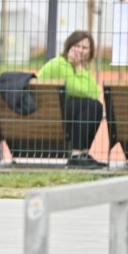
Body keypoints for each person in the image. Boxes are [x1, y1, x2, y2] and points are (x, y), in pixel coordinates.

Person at [37, 30, 106, 168]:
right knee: (89, 105)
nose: (80, 50)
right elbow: (77, 89)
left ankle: (82, 153)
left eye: (84, 47)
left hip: (61, 113)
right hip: (45, 113)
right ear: (69, 47)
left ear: (89, 52)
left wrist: (80, 69)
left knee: (95, 106)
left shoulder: (78, 68)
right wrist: (79, 67)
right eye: (77, 46)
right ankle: (76, 155)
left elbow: (94, 93)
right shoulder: (61, 63)